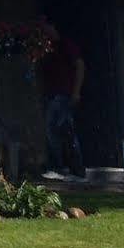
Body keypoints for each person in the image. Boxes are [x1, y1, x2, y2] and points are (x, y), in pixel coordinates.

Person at [39, 35, 86, 179]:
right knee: (56, 131)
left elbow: (80, 65)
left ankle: (70, 169)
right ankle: (64, 168)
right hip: (52, 94)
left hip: (63, 94)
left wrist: (76, 92)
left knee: (63, 131)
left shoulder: (65, 45)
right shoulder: (46, 46)